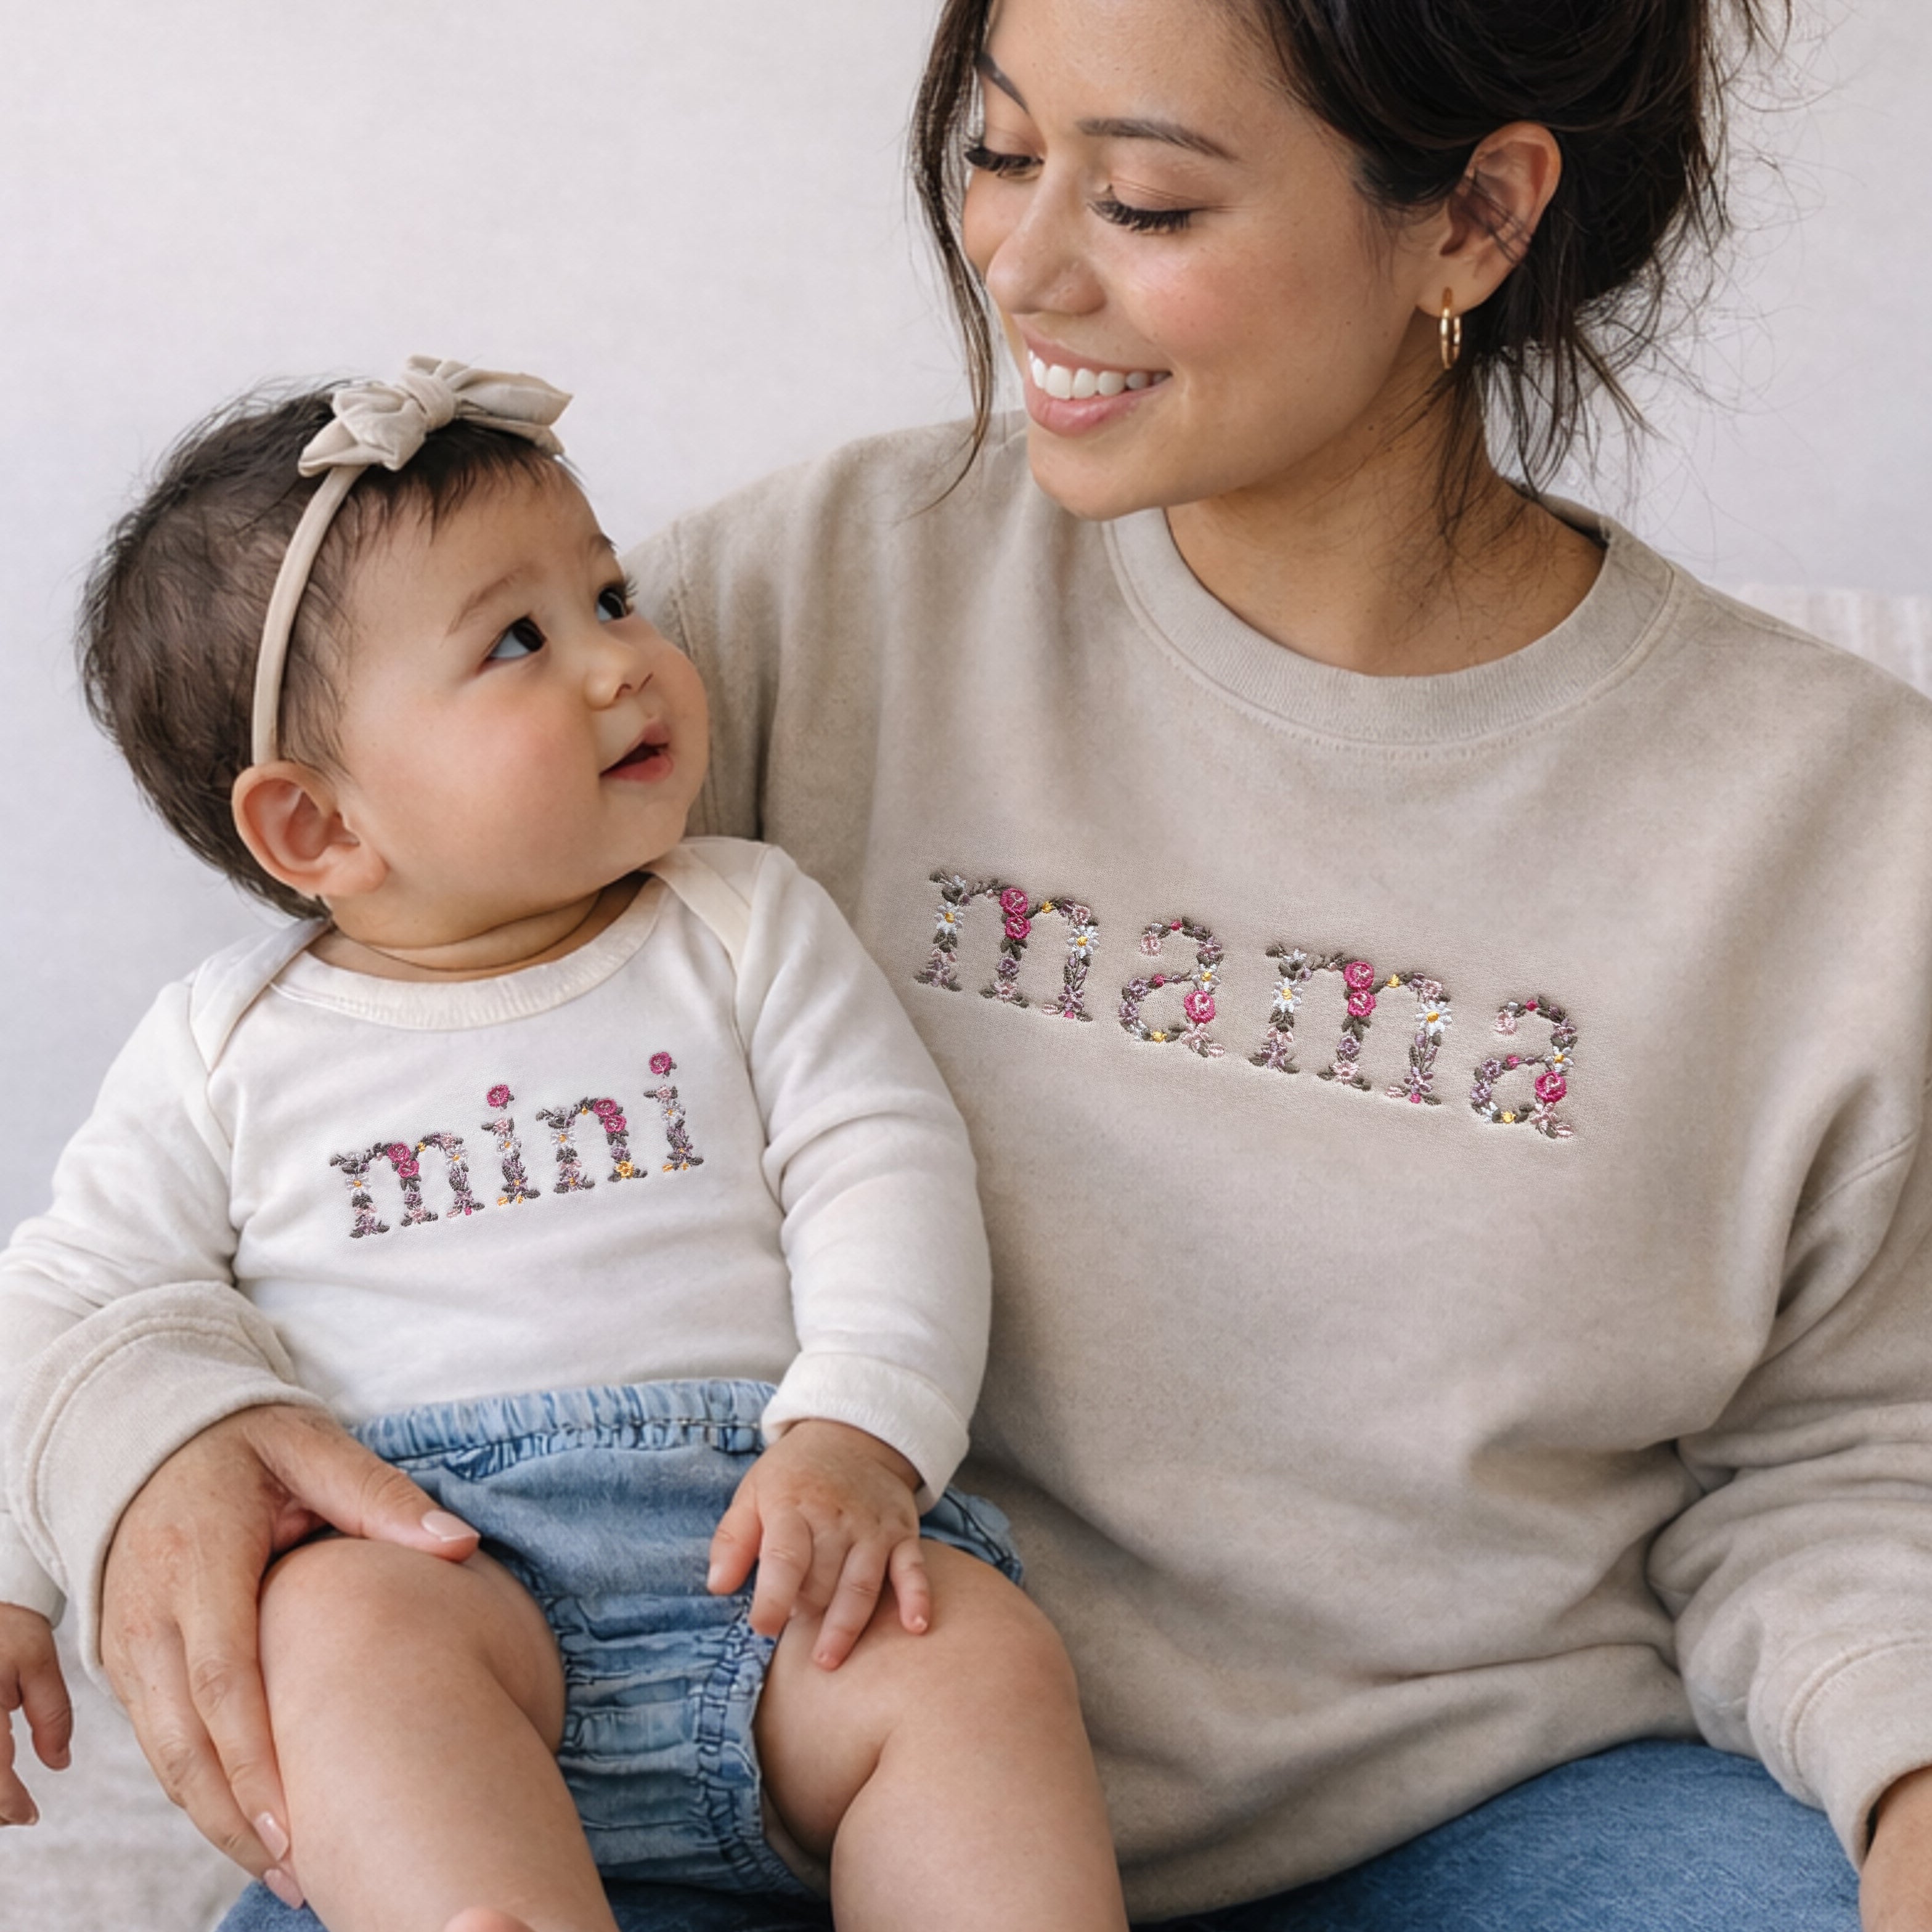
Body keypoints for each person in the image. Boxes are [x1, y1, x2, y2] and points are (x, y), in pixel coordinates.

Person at [12, 0, 1932, 1926]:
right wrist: (144, 1425)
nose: (1019, 263)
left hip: (1476, 1835)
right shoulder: (812, 601)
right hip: (756, 1769)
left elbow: (1862, 1462)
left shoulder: (1837, 825)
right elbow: (359, 1017)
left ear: (1474, 219)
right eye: (1002, 155)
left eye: (1150, 199)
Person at [0, 360, 1130, 1932]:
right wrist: (18, 1572)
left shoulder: (740, 925)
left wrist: (859, 1432)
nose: (620, 664)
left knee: (976, 1661)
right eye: (518, 641)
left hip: (768, 1538)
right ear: (316, 828)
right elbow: (65, 1298)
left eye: (609, 596)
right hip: (444, 1565)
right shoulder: (226, 1043)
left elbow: (880, 1170)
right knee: (332, 1633)